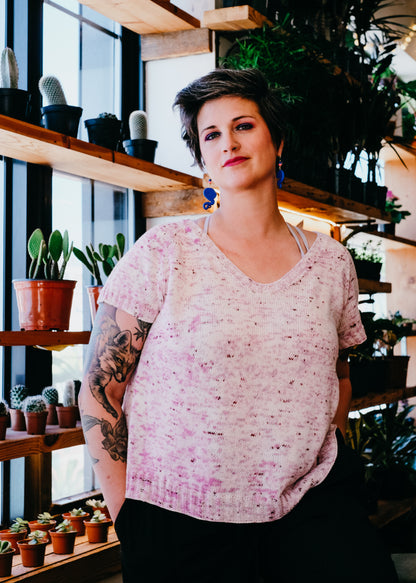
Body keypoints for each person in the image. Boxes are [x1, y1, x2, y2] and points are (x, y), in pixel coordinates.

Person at [79, 68, 399, 583]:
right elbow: (99, 389)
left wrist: (326, 444)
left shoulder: (332, 262)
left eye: (244, 125)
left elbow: (337, 372)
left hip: (313, 508)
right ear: (203, 160)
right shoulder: (164, 252)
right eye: (211, 134)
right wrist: (127, 514)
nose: (228, 141)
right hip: (179, 522)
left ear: (277, 141)